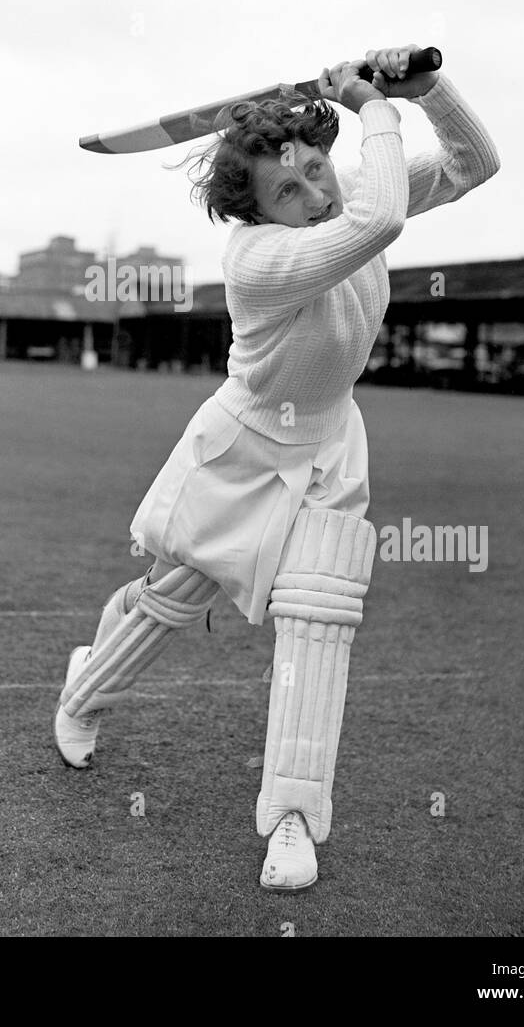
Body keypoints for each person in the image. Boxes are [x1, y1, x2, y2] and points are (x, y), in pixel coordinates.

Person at [54, 44, 500, 891]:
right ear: (253, 211)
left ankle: (292, 819)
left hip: (331, 447)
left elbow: (477, 162)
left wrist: (425, 90)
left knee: (319, 621)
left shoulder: (354, 195)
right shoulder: (257, 261)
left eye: (314, 171)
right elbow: (378, 222)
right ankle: (84, 691)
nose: (312, 194)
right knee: (172, 601)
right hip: (244, 451)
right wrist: (374, 112)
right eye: (286, 189)